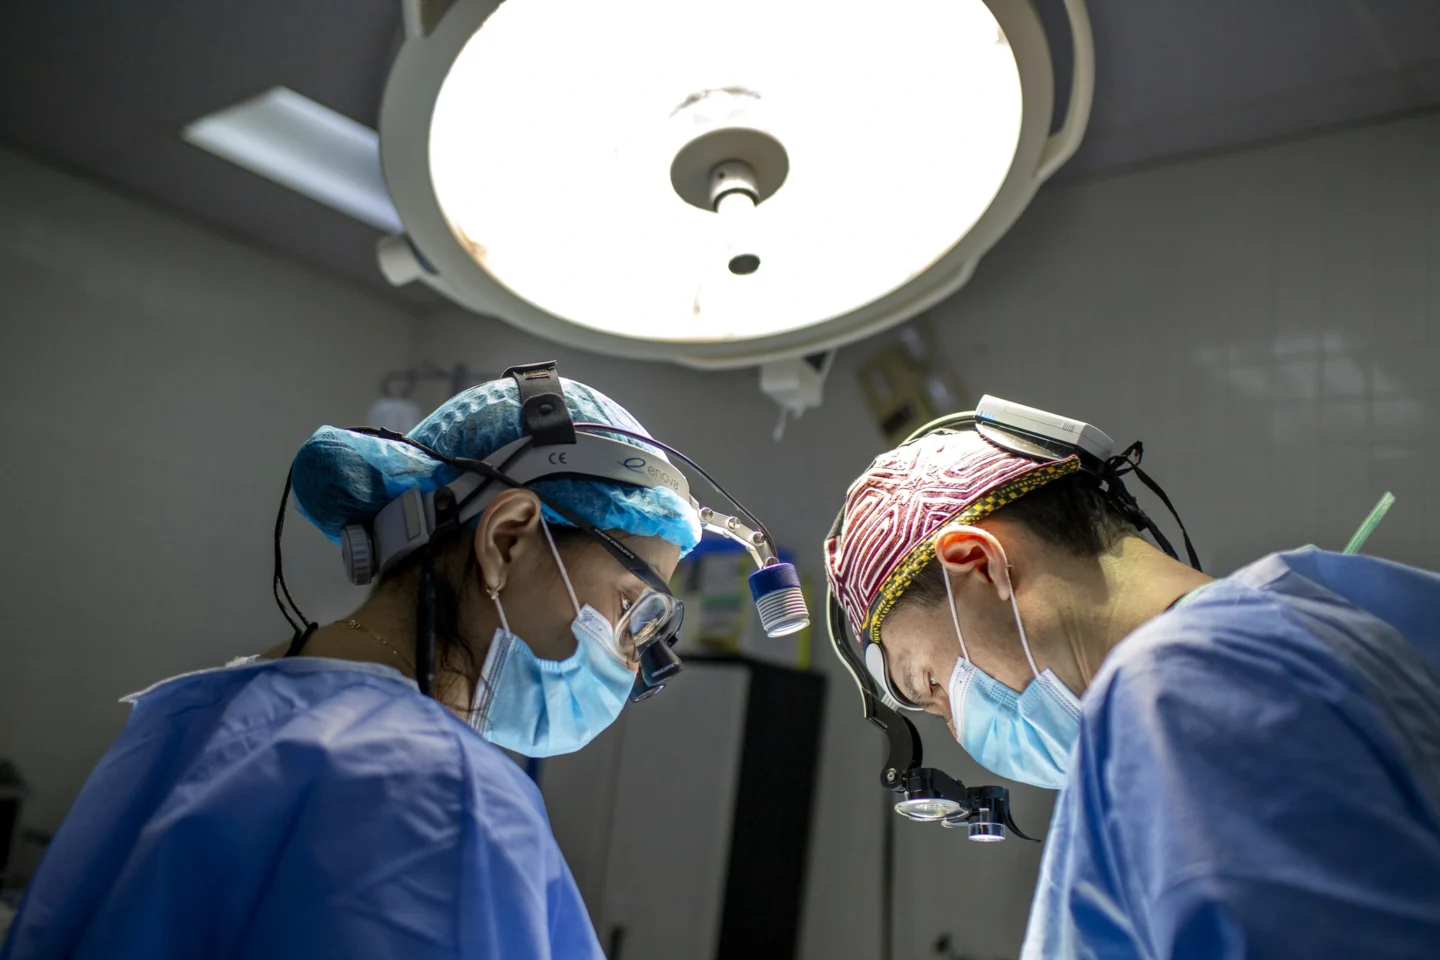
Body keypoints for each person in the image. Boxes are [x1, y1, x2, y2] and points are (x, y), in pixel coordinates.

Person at [1, 374, 702, 959]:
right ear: (509, 539)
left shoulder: (180, 721)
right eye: (633, 607)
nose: (635, 655)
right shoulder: (447, 796)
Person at [823, 415, 1440, 958]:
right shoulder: (1317, 618)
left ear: (980, 564)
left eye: (927, 681)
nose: (958, 728)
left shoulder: (1183, 685)